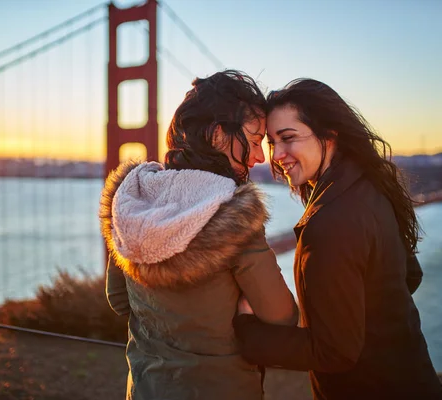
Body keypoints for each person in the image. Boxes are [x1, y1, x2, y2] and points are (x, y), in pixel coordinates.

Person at [233, 78, 442, 400]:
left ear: (329, 135)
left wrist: (247, 331)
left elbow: (335, 352)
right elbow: (409, 275)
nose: (277, 155)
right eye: (272, 142)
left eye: (288, 138)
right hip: (412, 377)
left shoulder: (331, 222)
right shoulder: (371, 186)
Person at [99, 70, 298, 400]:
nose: (260, 156)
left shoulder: (134, 202)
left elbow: (119, 301)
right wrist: (244, 309)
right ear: (218, 135)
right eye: (252, 141)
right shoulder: (235, 214)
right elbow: (282, 317)